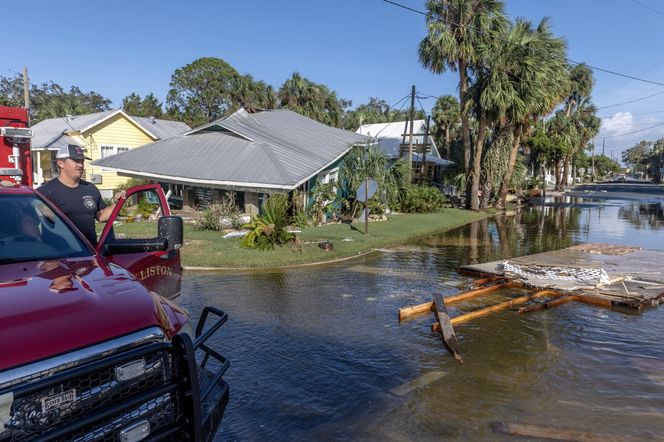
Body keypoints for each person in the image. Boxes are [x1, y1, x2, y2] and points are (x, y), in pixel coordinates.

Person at [37, 144, 124, 246]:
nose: (81, 165)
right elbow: (29, 221)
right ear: (60, 163)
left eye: (82, 161)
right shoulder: (45, 192)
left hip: (89, 253)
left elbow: (101, 216)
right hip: (58, 256)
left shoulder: (90, 188)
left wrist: (116, 203)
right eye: (76, 161)